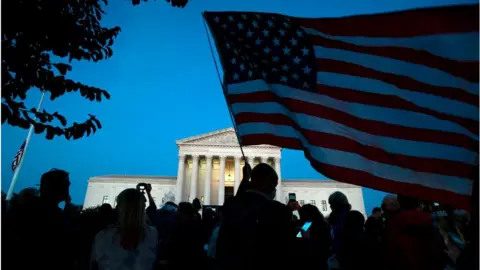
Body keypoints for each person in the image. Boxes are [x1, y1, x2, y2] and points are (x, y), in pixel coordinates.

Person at [216, 163, 296, 270]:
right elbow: (288, 247)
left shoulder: (231, 205)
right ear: (268, 184)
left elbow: (238, 201)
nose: (274, 189)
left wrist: (245, 180)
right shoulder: (279, 210)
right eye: (274, 185)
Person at [91, 188, 158, 270]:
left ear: (118, 208)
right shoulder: (152, 234)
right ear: (142, 209)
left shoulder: (103, 236)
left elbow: (93, 264)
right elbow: (152, 210)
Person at [384, 195, 445, 270]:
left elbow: (391, 251)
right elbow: (439, 244)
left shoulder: (393, 224)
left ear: (400, 203)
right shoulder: (427, 219)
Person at [298, 204, 331, 270]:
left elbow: (299, 239)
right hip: (323, 259)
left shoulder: (307, 225)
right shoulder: (325, 224)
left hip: (311, 259)